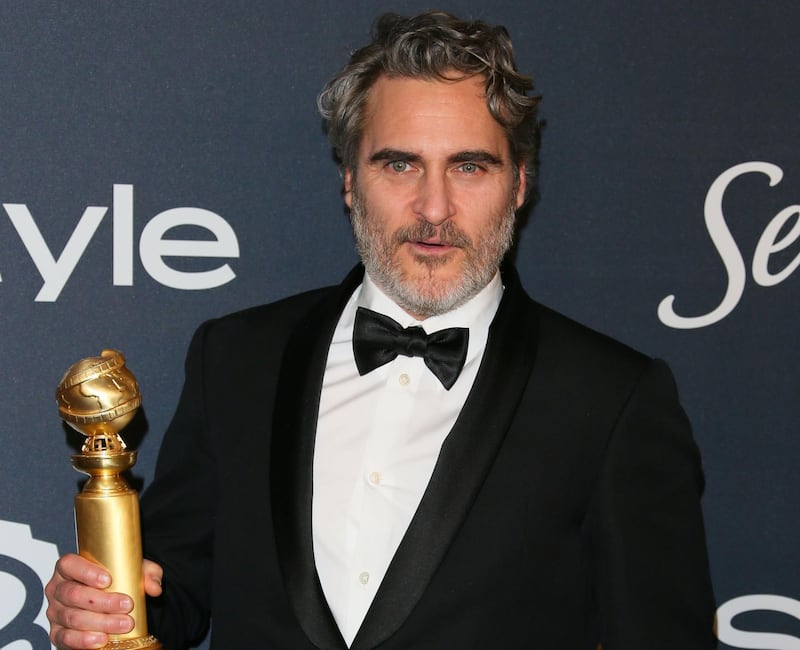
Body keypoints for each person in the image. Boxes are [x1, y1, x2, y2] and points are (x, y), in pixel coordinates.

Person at [45, 10, 717, 650]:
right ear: (348, 179)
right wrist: (101, 607)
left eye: (469, 166)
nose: (433, 208)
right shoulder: (236, 360)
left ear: (519, 184)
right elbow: (171, 592)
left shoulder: (612, 399)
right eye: (398, 164)